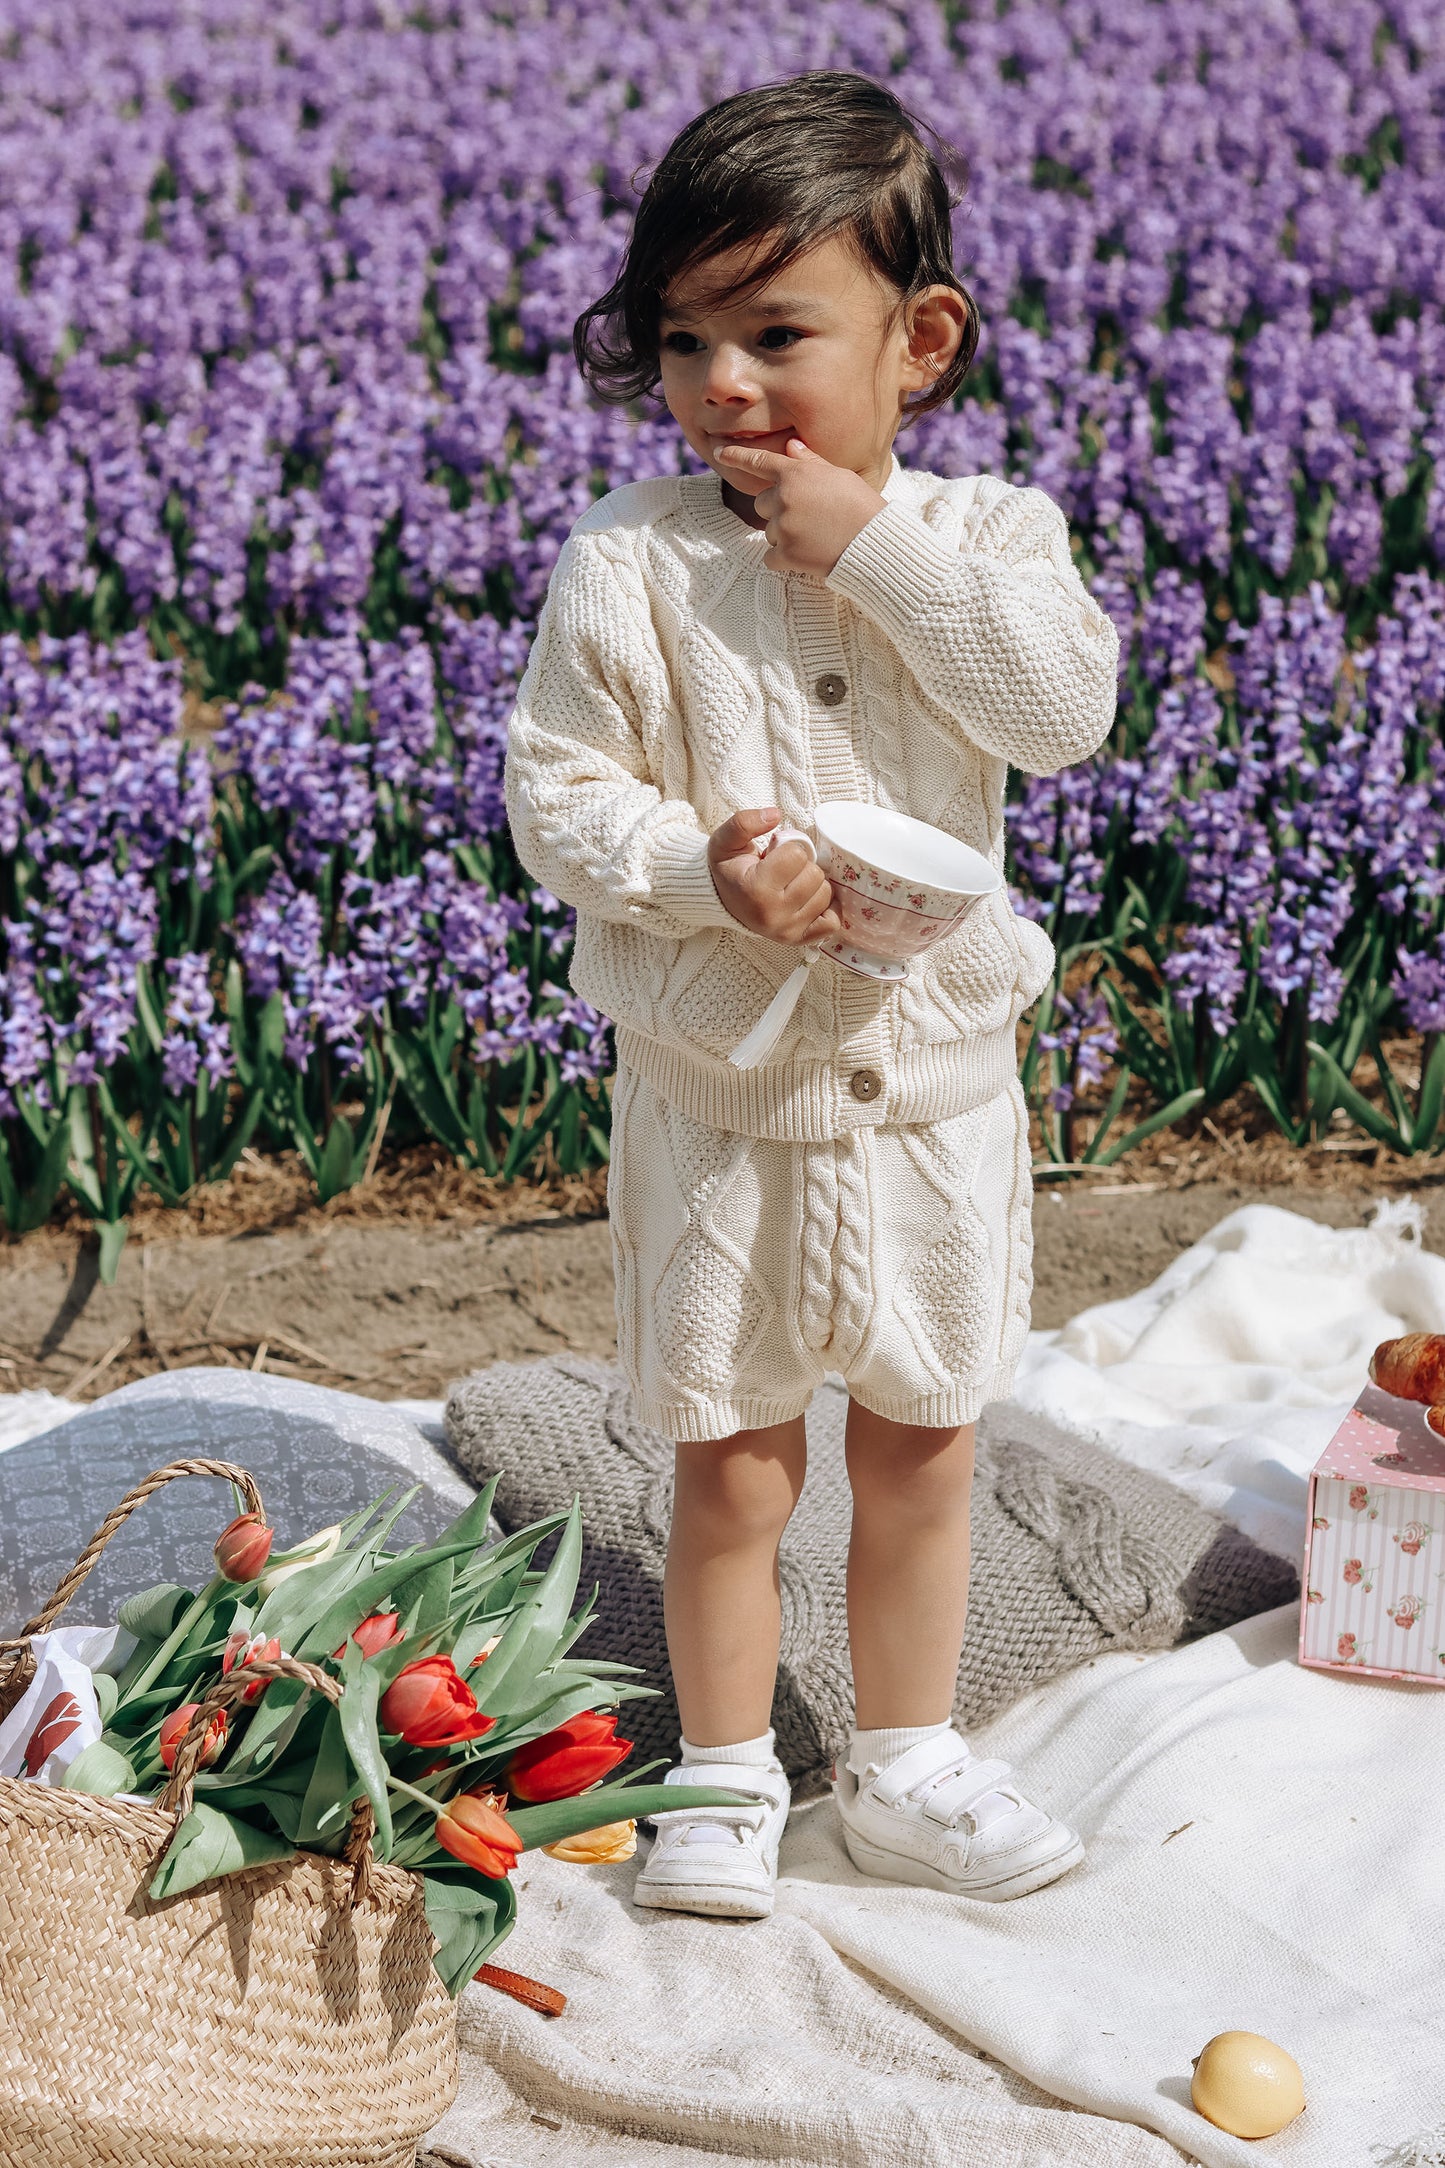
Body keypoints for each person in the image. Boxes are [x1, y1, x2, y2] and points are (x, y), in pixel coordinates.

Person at [504, 70, 1119, 1919]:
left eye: (777, 334)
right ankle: (720, 1770)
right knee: (731, 1455)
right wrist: (700, 866)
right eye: (684, 339)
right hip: (723, 1099)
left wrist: (874, 550)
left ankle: (907, 1758)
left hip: (932, 1094)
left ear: (917, 342)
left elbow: (1058, 711)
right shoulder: (628, 560)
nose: (725, 384)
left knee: (925, 1441)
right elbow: (556, 794)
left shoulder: (985, 537)